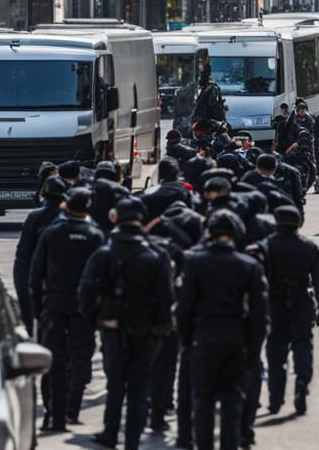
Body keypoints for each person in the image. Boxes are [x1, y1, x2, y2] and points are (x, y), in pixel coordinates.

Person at [79, 197, 174, 450]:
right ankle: (132, 441)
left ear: (115, 218)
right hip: (147, 331)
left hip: (112, 329)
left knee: (116, 384)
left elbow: (86, 291)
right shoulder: (157, 254)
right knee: (140, 388)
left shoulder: (104, 253)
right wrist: (162, 327)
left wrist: (96, 319)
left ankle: (111, 433)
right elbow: (167, 296)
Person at [176, 210, 268, 450]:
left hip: (203, 338)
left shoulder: (195, 262)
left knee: (203, 399)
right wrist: (253, 347)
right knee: (232, 398)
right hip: (236, 339)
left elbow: (184, 306)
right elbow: (260, 314)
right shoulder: (249, 266)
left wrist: (186, 340)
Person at [31, 189, 106, 431]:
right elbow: (103, 276)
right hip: (83, 308)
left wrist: (37, 307)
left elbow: (36, 272)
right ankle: (72, 409)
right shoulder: (95, 235)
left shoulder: (53, 233)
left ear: (66, 205)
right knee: (81, 358)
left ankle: (54, 413)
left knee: (54, 360)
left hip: (53, 305)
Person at [259, 205, 319, 416]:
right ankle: (302, 382)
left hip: (273, 304)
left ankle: (275, 399)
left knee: (276, 353)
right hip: (302, 302)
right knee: (302, 344)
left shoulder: (266, 246)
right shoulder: (309, 247)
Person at [14, 176, 69, 336]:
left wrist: (24, 288)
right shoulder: (71, 218)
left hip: (37, 280)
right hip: (61, 285)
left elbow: (22, 256)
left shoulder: (35, 217)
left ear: (44, 195)